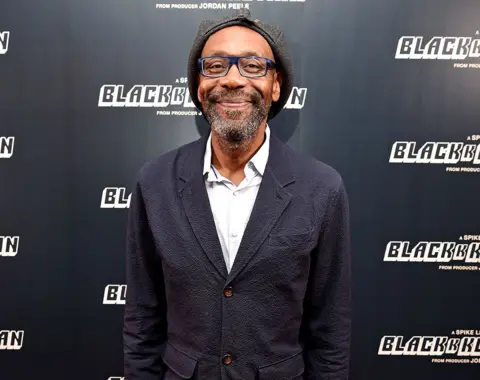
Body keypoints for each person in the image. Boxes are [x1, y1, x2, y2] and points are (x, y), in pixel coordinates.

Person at [123, 8, 351, 380]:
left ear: (276, 85)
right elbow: (142, 318)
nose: (231, 79)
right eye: (214, 66)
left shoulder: (322, 189)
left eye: (252, 65)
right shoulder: (155, 182)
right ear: (198, 84)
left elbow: (330, 331)